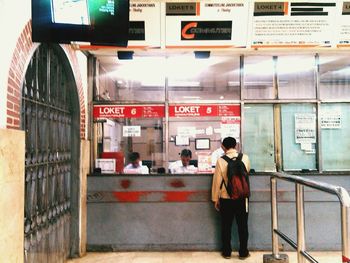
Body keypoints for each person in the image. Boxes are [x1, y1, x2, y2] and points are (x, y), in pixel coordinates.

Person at [211, 137, 251, 260]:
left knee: (226, 226)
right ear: (236, 145)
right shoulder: (245, 158)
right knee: (242, 225)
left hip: (226, 198)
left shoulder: (221, 161)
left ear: (223, 146)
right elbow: (246, 173)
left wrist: (215, 199)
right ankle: (243, 252)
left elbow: (217, 181)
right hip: (242, 198)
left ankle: (227, 252)